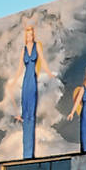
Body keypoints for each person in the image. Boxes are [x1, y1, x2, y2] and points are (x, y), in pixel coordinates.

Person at [13, 24, 55, 159]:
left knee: (31, 114)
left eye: (31, 34)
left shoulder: (37, 46)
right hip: (26, 81)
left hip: (32, 80)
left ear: (33, 35)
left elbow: (42, 60)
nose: (29, 37)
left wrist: (49, 73)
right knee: (25, 115)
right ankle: (25, 153)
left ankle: (30, 153)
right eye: (27, 35)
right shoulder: (23, 50)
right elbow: (20, 68)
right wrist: (13, 82)